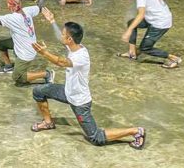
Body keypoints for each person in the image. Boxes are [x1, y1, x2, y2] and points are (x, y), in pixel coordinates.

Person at [29, 10, 146, 149]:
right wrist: (52, 21)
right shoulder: (73, 46)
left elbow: (61, 62)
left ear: (70, 39)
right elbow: (61, 40)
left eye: (63, 34)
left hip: (80, 101)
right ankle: (48, 122)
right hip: (67, 92)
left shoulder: (80, 56)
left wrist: (44, 52)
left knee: (96, 137)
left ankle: (136, 131)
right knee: (38, 91)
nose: (61, 36)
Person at [119, 0, 182, 68]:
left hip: (160, 23)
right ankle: (132, 53)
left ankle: (174, 58)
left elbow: (141, 15)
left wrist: (128, 31)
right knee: (132, 23)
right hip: (155, 18)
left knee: (145, 48)